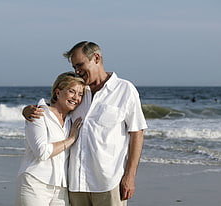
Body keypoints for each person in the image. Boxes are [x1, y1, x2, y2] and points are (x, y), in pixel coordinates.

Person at [23, 41, 147, 206]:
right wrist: (26, 110)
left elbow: (137, 133)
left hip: (108, 182)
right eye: (74, 67)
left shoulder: (125, 90)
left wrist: (130, 177)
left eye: (80, 65)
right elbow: (55, 109)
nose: (77, 71)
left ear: (96, 58)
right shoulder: (80, 91)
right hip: (75, 183)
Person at [16, 72, 86, 206]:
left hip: (61, 187)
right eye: (71, 91)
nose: (76, 98)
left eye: (80, 94)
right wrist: (71, 139)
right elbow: (42, 152)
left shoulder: (72, 120)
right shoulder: (39, 114)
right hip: (34, 182)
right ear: (58, 92)